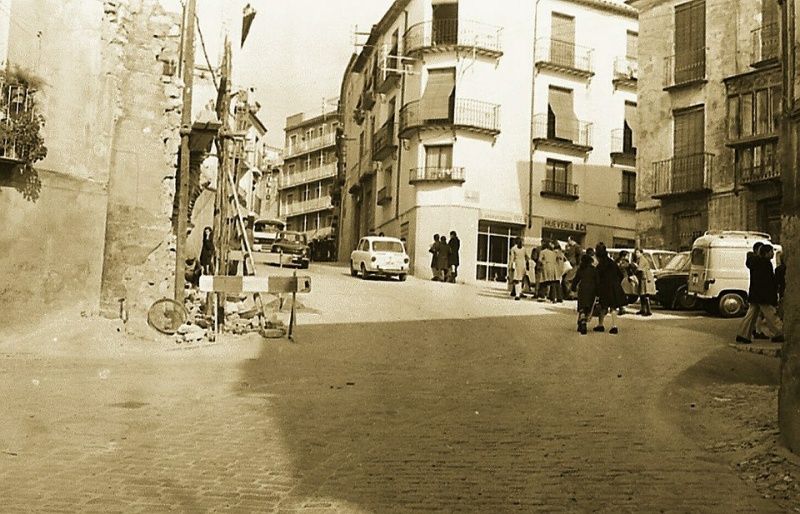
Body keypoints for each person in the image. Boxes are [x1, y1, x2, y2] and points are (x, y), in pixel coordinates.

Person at [737, 243, 784, 344]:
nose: (772, 254)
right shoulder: (765, 263)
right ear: (766, 253)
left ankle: (743, 334)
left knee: (750, 316)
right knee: (771, 315)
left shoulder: (754, 262)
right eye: (771, 252)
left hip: (755, 294)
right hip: (764, 295)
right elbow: (768, 281)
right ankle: (779, 333)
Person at [593, 242, 628, 334]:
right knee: (613, 307)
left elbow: (597, 278)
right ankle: (614, 326)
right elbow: (620, 275)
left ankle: (600, 325)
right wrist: (616, 283)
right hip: (614, 287)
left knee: (603, 307)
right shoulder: (612, 263)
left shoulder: (600, 265)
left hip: (604, 287)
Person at [571, 253, 600, 334]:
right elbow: (597, 281)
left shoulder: (580, 269)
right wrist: (598, 292)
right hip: (592, 289)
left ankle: (581, 322)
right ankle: (583, 321)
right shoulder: (594, 269)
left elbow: (576, 279)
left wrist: (573, 288)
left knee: (582, 307)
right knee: (588, 307)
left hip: (582, 288)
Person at [632, 248, 655, 316]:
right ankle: (643, 309)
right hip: (642, 277)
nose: (637, 254)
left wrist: (633, 272)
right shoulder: (640, 259)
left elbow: (639, 269)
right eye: (636, 253)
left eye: (638, 253)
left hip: (645, 277)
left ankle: (648, 310)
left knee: (645, 294)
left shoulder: (642, 259)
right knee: (642, 294)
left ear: (641, 253)